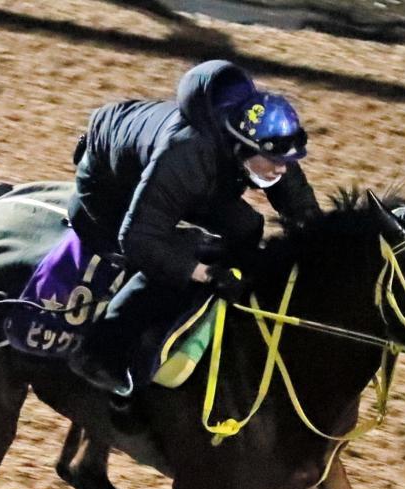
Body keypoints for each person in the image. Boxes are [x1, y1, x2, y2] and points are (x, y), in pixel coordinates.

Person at [67, 59, 321, 397]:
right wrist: (202, 272)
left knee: (248, 225)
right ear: (243, 146)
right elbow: (138, 238)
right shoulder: (186, 153)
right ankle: (101, 352)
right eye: (274, 161)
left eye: (287, 161)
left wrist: (323, 237)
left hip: (191, 173)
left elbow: (298, 203)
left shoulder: (256, 144)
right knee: (175, 256)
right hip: (110, 185)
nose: (281, 169)